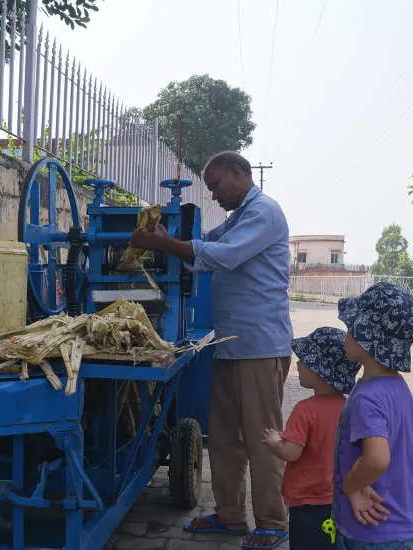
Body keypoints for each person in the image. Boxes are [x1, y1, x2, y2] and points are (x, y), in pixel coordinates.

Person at [129, 150, 293, 549]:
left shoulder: (264, 213)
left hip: (259, 345)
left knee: (263, 438)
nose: (214, 195)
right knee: (222, 436)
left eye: (217, 185)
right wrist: (165, 242)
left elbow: (224, 255)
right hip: (231, 343)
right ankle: (231, 515)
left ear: (239, 173)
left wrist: (165, 244)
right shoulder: (236, 219)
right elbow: (204, 245)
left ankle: (273, 521)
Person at [333, 282, 413, 550]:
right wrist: (404, 473)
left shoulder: (367, 398)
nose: (346, 336)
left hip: (370, 532)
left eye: (351, 329)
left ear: (368, 340)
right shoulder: (399, 388)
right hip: (403, 528)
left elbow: (377, 459)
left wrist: (353, 486)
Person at [262, 327, 361, 550]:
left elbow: (291, 452)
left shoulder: (305, 410)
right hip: (339, 498)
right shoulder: (351, 407)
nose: (298, 364)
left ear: (320, 372)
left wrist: (274, 441)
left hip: (306, 501)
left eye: (304, 360)